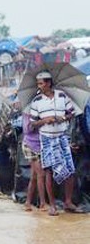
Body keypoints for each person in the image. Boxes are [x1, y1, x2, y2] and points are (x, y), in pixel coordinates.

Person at [29, 71, 83, 215]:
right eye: (38, 83)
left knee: (70, 170)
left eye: (40, 83)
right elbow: (33, 124)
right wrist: (45, 121)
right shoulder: (36, 101)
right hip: (46, 138)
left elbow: (71, 113)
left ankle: (68, 202)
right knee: (48, 171)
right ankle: (52, 205)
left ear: (48, 83)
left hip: (62, 137)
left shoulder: (62, 96)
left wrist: (63, 118)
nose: (39, 86)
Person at [22, 111, 47, 212]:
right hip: (30, 145)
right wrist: (42, 121)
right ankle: (43, 203)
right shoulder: (28, 112)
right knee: (41, 174)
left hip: (40, 146)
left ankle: (28, 202)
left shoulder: (42, 109)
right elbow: (27, 129)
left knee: (34, 176)